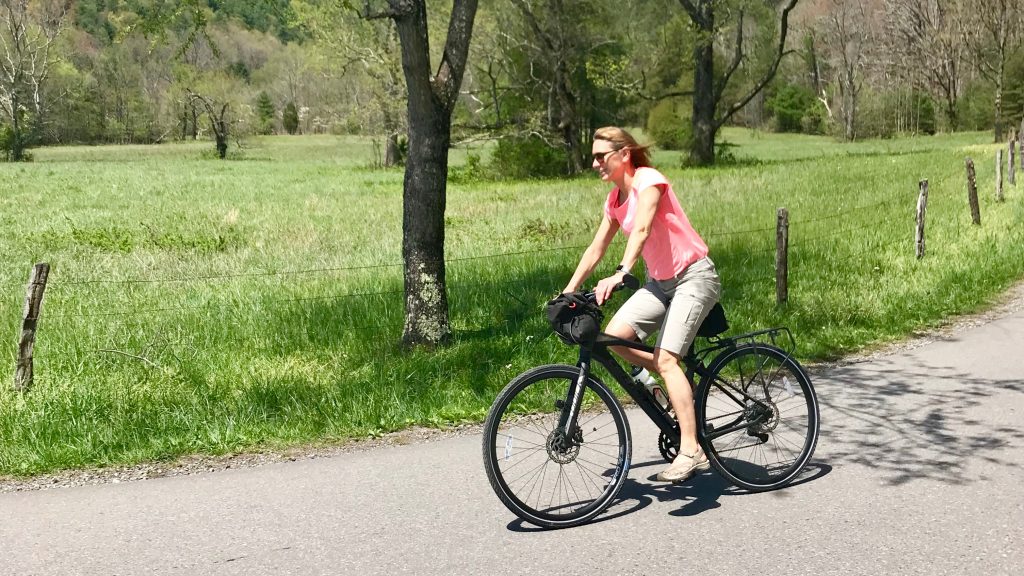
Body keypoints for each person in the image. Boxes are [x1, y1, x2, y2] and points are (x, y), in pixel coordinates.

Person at [562, 126, 722, 483]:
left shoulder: (649, 181)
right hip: (660, 283)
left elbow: (643, 229)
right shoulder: (614, 201)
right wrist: (567, 292)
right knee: (615, 338)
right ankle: (673, 384)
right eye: (593, 157)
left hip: (694, 277)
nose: (595, 163)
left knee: (666, 359)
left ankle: (692, 450)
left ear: (624, 154)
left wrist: (621, 272)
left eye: (600, 156)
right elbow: (596, 248)